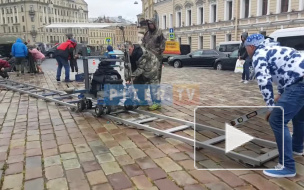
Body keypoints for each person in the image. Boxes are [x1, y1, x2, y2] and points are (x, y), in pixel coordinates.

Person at [245, 33, 304, 178]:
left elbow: (264, 82)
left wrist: (271, 107)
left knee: (277, 120)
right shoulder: (273, 49)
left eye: (246, 48)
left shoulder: (258, 55)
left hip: (299, 84)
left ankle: (287, 166)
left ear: (251, 47)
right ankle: (297, 148)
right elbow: (284, 71)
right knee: (299, 116)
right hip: (299, 80)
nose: (246, 51)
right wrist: (281, 93)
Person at [127, 41, 161, 111]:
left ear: (132, 47)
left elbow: (140, 68)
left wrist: (132, 76)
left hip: (152, 66)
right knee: (138, 84)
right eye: (127, 50)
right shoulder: (127, 55)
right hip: (142, 68)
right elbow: (127, 67)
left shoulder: (141, 53)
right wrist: (127, 78)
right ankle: (143, 100)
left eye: (129, 49)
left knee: (153, 84)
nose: (128, 51)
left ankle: (157, 103)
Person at [142, 18, 166, 83]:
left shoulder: (159, 32)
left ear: (154, 24)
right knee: (147, 73)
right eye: (149, 24)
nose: (150, 25)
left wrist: (159, 51)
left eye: (152, 24)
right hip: (147, 57)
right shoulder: (147, 33)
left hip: (156, 57)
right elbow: (143, 42)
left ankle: (155, 87)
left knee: (156, 74)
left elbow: (163, 43)